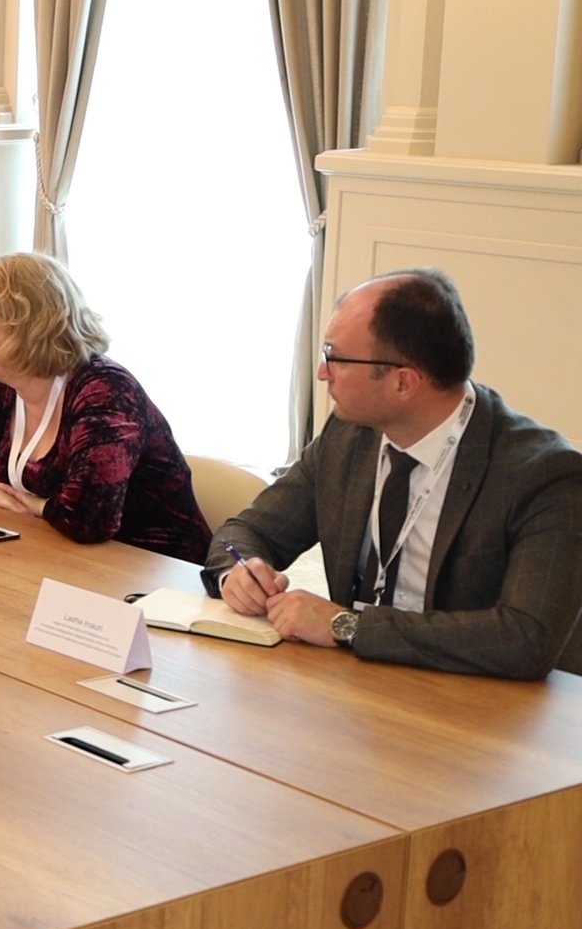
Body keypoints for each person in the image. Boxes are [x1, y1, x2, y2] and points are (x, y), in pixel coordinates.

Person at [205, 269, 582, 680]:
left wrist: (347, 626)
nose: (322, 372)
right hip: (357, 682)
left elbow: (526, 638)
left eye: (335, 356)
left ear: (404, 383)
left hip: (474, 695)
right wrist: (239, 572)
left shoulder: (545, 474)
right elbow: (244, 532)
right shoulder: (348, 434)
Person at [0, 252, 209, 561]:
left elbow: (89, 519)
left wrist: (32, 504)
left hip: (153, 574)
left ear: (23, 331)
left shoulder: (106, 391)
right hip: (51, 556)